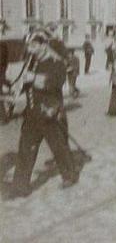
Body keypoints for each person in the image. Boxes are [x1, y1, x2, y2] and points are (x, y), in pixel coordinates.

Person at [8, 31, 79, 199]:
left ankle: (70, 175)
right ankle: (20, 186)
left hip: (49, 113)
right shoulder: (33, 61)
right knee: (25, 149)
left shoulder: (56, 62)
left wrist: (33, 78)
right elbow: (26, 82)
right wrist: (16, 89)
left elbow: (55, 83)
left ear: (43, 45)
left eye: (34, 46)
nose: (30, 50)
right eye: (29, 47)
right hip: (32, 113)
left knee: (58, 146)